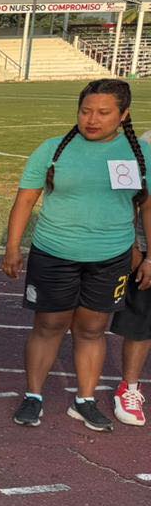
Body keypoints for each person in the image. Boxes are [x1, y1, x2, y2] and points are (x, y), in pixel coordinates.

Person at [4, 79, 151, 431]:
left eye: (103, 112)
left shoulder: (140, 154)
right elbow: (26, 199)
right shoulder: (53, 149)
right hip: (54, 253)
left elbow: (147, 206)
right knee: (48, 325)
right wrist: (12, 247)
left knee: (92, 329)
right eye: (85, 111)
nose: (92, 119)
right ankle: (34, 396)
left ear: (124, 115)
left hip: (110, 258)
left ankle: (84, 401)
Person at [109, 123, 151, 426]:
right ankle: (129, 388)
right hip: (148, 250)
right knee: (141, 324)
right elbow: (130, 199)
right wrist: (138, 247)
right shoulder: (145, 144)